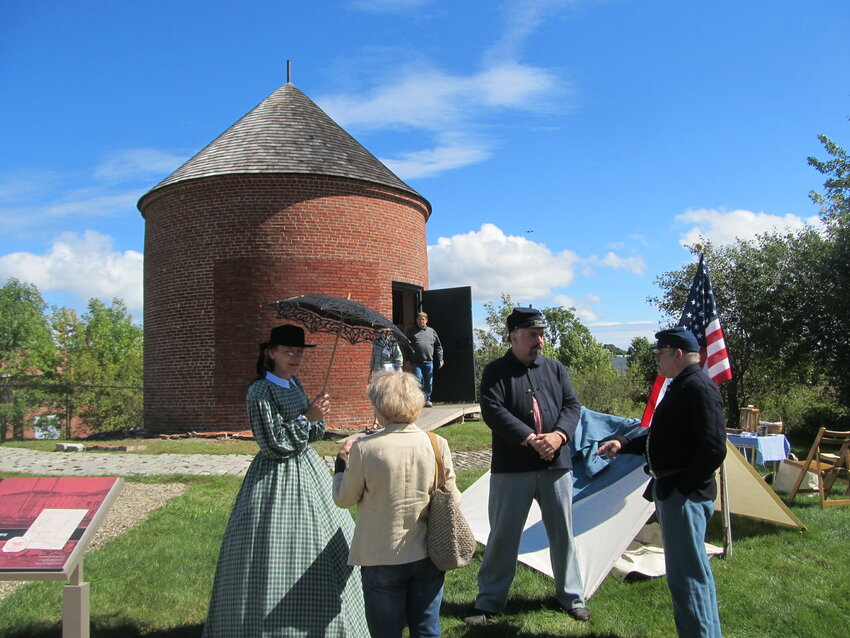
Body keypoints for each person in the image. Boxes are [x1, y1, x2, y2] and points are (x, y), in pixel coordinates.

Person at [202, 324, 369, 638]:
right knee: (271, 549)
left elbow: (312, 436)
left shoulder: (295, 384)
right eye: (289, 351)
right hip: (274, 479)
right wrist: (308, 417)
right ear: (271, 353)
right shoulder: (260, 391)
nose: (296, 357)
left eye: (300, 352)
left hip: (309, 472)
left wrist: (318, 416)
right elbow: (273, 444)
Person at [596, 327, 725, 638]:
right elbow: (662, 436)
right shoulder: (681, 386)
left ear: (677, 354)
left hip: (684, 495)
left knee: (686, 577)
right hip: (674, 491)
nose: (657, 359)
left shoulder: (698, 388)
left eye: (660, 353)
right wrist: (624, 444)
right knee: (690, 573)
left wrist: (684, 486)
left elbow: (714, 447)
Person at [465, 307, 589, 625]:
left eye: (541, 335)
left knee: (563, 533)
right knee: (504, 536)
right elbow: (492, 410)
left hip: (556, 465)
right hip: (513, 466)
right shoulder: (496, 371)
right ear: (514, 337)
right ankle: (489, 602)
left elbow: (572, 405)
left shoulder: (556, 369)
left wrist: (559, 436)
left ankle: (572, 597)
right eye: (534, 335)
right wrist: (531, 439)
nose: (541, 341)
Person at [332, 371, 458, 638]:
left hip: (380, 555)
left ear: (380, 406)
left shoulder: (365, 448)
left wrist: (341, 463)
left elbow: (343, 499)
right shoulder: (437, 443)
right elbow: (453, 499)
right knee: (427, 630)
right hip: (428, 551)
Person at [405, 312, 443, 407]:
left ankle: (427, 399)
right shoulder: (411, 331)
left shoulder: (431, 331)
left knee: (428, 382)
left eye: (423, 319)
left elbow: (438, 346)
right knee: (418, 380)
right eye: (419, 319)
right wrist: (407, 358)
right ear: (416, 320)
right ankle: (418, 400)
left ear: (426, 320)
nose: (421, 321)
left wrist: (440, 358)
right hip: (416, 362)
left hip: (428, 362)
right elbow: (405, 345)